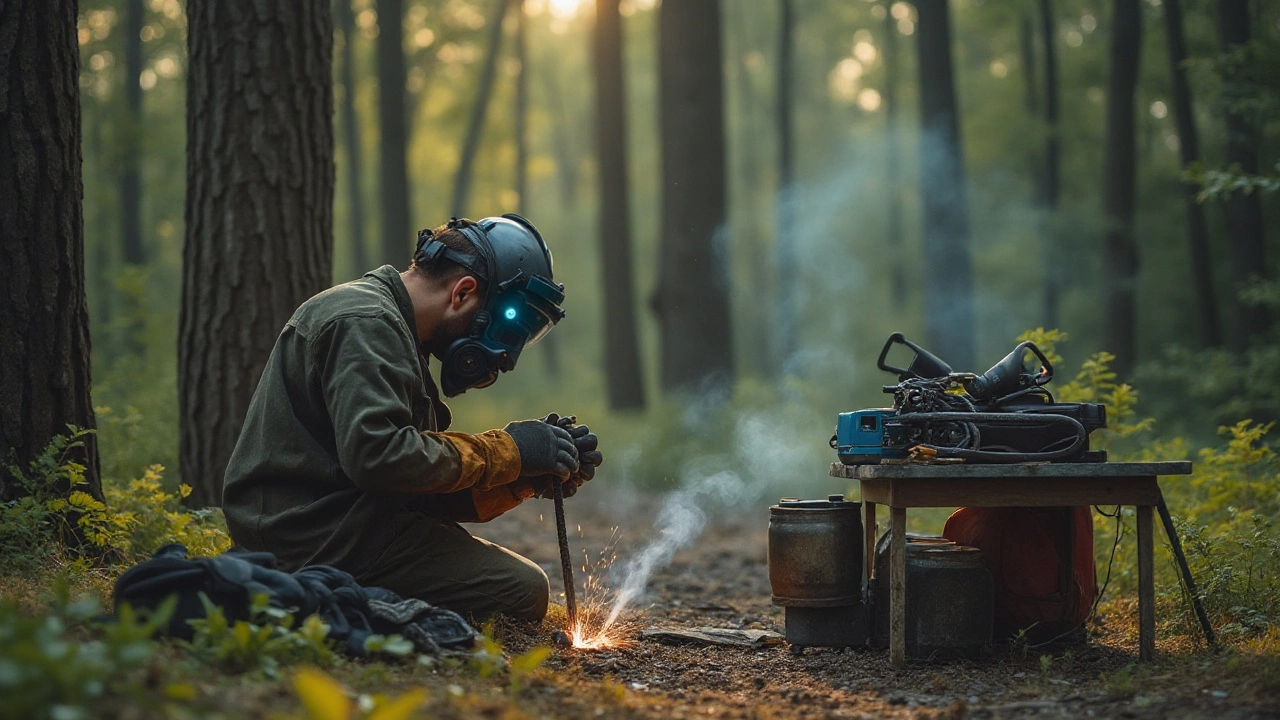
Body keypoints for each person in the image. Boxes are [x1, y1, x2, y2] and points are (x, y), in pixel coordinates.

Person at [221, 215, 602, 622]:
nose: (505, 360)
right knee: (519, 589)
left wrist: (523, 476)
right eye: (508, 333)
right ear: (463, 293)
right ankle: (328, 601)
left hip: (344, 523)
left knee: (521, 586)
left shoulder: (395, 331)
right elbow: (381, 459)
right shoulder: (364, 323)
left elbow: (415, 485)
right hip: (310, 538)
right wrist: (509, 450)